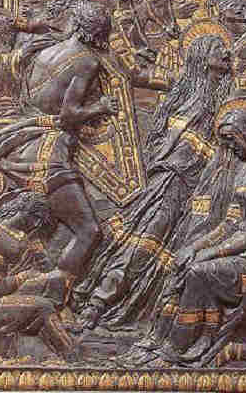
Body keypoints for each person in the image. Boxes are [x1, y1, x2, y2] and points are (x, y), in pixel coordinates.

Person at [126, 97, 246, 367]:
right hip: (245, 248)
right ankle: (159, 342)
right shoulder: (244, 171)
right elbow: (229, 224)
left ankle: (178, 350)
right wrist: (194, 248)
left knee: (199, 272)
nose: (229, 146)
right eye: (224, 140)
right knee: (182, 264)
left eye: (232, 139)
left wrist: (213, 252)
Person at [74, 30, 233, 330]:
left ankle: (138, 311)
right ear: (202, 57)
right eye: (217, 48)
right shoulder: (185, 90)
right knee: (146, 234)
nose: (226, 53)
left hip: (200, 188)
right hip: (169, 178)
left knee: (172, 248)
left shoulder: (226, 99)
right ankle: (98, 301)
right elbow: (160, 131)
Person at [0, 0, 117, 301]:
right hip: (49, 153)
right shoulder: (87, 61)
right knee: (89, 231)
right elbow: (68, 115)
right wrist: (100, 106)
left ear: (76, 23)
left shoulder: (47, 49)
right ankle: (53, 294)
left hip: (22, 140)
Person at [0, 190, 74, 360]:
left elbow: (46, 267)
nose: (37, 225)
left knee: (59, 278)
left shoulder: (21, 235)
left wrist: (40, 255)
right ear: (30, 216)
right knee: (44, 306)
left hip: (16, 290)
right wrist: (25, 276)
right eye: (38, 219)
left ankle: (63, 329)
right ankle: (70, 354)